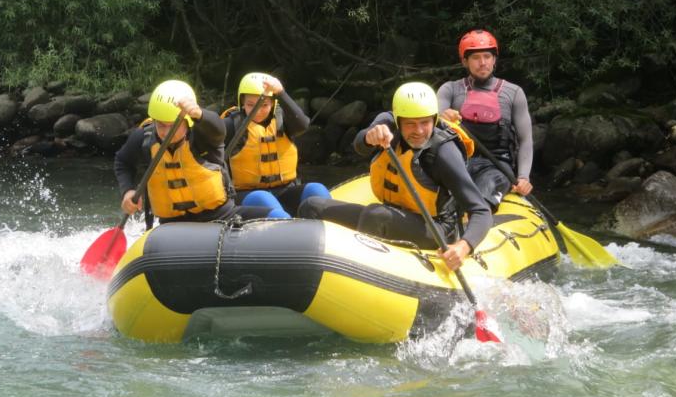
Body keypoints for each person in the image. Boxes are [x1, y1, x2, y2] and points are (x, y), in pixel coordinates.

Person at [299, 82, 492, 271]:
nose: (419, 131)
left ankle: (360, 277)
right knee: (312, 206)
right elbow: (360, 145)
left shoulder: (443, 152)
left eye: (425, 122)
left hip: (436, 228)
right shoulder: (387, 124)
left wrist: (464, 245)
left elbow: (481, 211)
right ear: (398, 121)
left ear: (434, 119)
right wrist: (369, 137)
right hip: (395, 216)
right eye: (410, 124)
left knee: (376, 215)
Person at [114, 79, 287, 226]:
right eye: (161, 125)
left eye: (172, 125)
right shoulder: (143, 138)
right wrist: (127, 191)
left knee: (279, 218)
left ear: (188, 122)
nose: (166, 132)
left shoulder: (203, 136)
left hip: (220, 217)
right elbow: (122, 161)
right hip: (172, 226)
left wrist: (199, 114)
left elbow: (219, 130)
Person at [437, 29, 534, 210]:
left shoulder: (513, 93)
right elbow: (432, 118)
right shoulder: (450, 90)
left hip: (497, 167)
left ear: (494, 59)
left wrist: (523, 177)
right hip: (458, 161)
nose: (482, 63)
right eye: (475, 58)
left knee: (488, 187)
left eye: (487, 56)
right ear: (465, 61)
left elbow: (525, 139)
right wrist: (441, 116)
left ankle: (475, 220)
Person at [220, 72, 330, 216]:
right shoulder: (230, 125)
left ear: (273, 103)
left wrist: (281, 92)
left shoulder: (283, 120)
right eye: (250, 105)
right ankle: (286, 227)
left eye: (264, 105)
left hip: (285, 190)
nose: (258, 111)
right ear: (242, 103)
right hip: (247, 196)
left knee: (317, 189)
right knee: (264, 198)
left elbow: (303, 124)